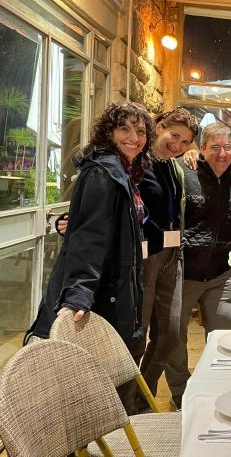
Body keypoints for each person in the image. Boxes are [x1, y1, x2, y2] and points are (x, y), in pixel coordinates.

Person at [25, 101, 152, 383]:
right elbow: (90, 239)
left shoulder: (123, 170)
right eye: (124, 129)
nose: (134, 138)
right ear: (108, 132)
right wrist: (79, 292)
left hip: (118, 286)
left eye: (140, 131)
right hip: (105, 292)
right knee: (95, 378)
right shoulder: (104, 173)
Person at [166, 122, 231, 409]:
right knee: (174, 338)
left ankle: (214, 386)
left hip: (221, 274)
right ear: (201, 149)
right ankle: (180, 392)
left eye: (227, 147)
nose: (222, 153)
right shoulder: (183, 172)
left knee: (222, 338)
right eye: (215, 147)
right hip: (183, 272)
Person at [135, 107, 199, 411]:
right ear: (158, 126)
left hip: (172, 257)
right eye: (175, 135)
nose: (179, 145)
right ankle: (126, 405)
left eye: (186, 142)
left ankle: (142, 396)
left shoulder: (172, 167)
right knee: (137, 334)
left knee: (170, 333)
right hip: (144, 259)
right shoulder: (135, 163)